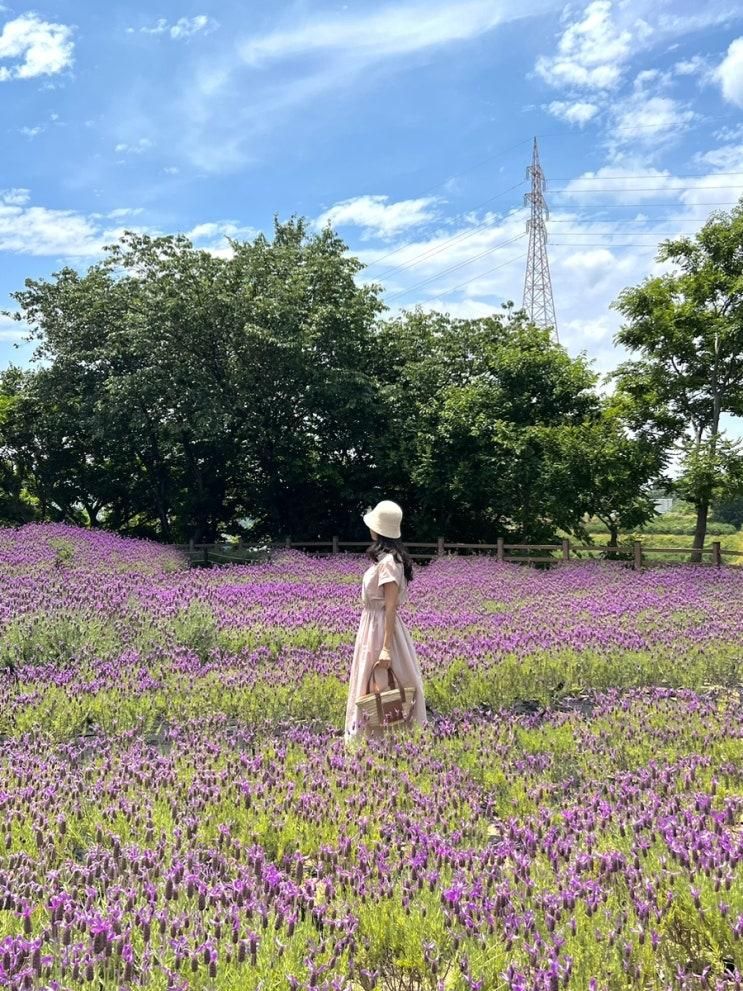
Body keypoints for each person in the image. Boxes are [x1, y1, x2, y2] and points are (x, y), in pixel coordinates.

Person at [344, 499, 427, 742]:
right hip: (372, 626)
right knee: (372, 684)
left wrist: (386, 649)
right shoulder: (388, 559)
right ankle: (375, 737)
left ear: (378, 530)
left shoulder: (390, 563)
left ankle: (382, 739)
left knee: (384, 684)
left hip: (381, 629)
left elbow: (391, 607)